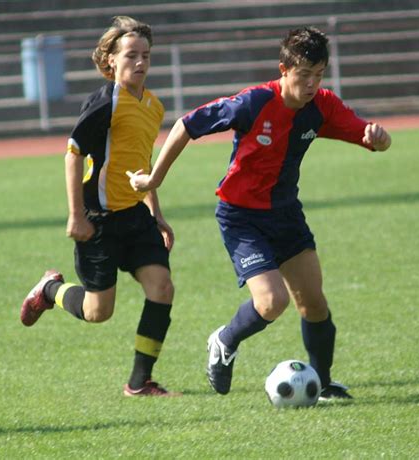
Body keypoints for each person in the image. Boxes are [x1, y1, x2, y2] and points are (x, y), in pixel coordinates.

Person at [127, 26, 392, 400]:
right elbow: (188, 124)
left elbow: (366, 132)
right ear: (284, 70)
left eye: (319, 75)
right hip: (241, 216)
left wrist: (378, 138)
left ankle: (322, 382)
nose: (312, 84)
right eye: (303, 75)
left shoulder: (323, 105)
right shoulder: (253, 103)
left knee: (313, 302)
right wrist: (154, 178)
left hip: (286, 215)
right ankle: (224, 339)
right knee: (272, 302)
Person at [20, 16, 180, 397]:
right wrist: (76, 215)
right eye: (130, 55)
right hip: (99, 222)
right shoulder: (104, 102)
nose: (139, 63)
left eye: (145, 55)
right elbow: (72, 155)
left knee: (162, 288)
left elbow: (140, 164)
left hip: (136, 218)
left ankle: (140, 382)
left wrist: (156, 213)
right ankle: (50, 290)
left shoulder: (153, 105)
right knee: (97, 313)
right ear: (110, 59)